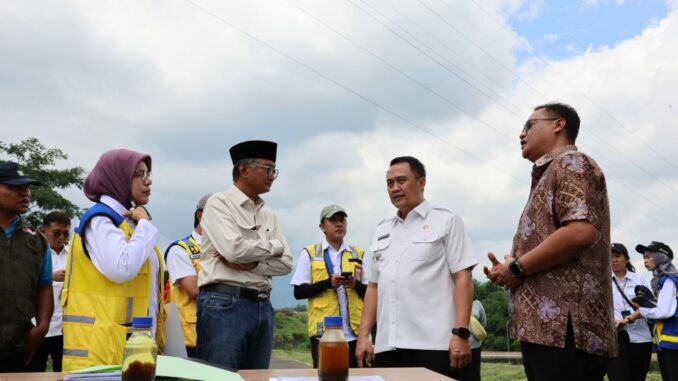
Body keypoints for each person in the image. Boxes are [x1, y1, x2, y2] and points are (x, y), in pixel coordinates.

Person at [484, 102, 617, 381]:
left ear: (558, 124)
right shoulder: (549, 174)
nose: (521, 134)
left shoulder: (571, 163)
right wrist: (509, 269)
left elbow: (580, 231)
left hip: (567, 331)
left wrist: (518, 268)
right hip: (546, 332)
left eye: (529, 125)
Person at [355, 156, 477, 379]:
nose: (395, 188)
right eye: (389, 183)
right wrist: (364, 336)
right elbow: (373, 286)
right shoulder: (382, 229)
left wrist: (461, 333)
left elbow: (463, 278)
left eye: (401, 180)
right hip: (388, 346)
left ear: (422, 182)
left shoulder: (447, 221)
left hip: (434, 345)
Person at [61, 149, 165, 371]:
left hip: (128, 345)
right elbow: (122, 269)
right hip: (100, 350)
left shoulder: (127, 222)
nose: (148, 181)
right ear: (118, 177)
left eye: (148, 173)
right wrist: (145, 225)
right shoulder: (100, 220)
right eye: (139, 174)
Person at [196, 140, 293, 370]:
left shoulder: (269, 215)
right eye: (268, 169)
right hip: (225, 304)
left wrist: (253, 266)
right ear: (244, 169)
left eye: (274, 170)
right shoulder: (219, 204)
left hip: (262, 305)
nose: (272, 176)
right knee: (219, 376)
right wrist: (275, 246)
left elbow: (287, 263)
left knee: (257, 377)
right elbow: (234, 250)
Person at [290, 204, 368, 368]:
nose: (339, 224)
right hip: (324, 337)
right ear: (322, 226)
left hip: (355, 335)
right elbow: (298, 292)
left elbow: (371, 293)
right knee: (326, 377)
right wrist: (328, 283)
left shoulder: (358, 254)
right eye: (333, 220)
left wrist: (355, 285)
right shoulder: (310, 253)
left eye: (342, 220)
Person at [0, 162, 53, 372]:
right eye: (16, 188)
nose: (26, 194)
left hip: (19, 348)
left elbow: (45, 286)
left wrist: (41, 328)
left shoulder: (37, 241)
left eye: (27, 188)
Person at [165, 193, 213, 357]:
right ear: (200, 216)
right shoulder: (180, 249)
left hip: (219, 334)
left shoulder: (226, 250)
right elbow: (193, 290)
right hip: (190, 337)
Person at [625, 241, 678, 380]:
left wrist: (641, 310)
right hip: (668, 343)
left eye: (649, 256)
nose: (645, 261)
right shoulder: (664, 279)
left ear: (660, 257)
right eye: (644, 258)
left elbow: (664, 312)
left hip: (672, 343)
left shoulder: (668, 281)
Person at [27, 211, 71, 372]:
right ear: (43, 231)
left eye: (65, 233)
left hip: (65, 329)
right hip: (39, 328)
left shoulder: (73, 255)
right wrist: (50, 276)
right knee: (34, 372)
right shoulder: (32, 254)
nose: (61, 238)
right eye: (56, 233)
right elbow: (23, 282)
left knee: (63, 373)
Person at [607, 242, 652, 381]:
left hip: (640, 338)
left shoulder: (639, 279)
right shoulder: (604, 281)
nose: (613, 259)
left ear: (626, 259)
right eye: (610, 256)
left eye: (617, 256)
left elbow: (649, 307)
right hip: (616, 338)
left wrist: (628, 319)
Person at [463, 299, 486, 381]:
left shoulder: (477, 303)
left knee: (473, 374)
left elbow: (483, 323)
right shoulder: (451, 302)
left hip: (475, 346)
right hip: (456, 346)